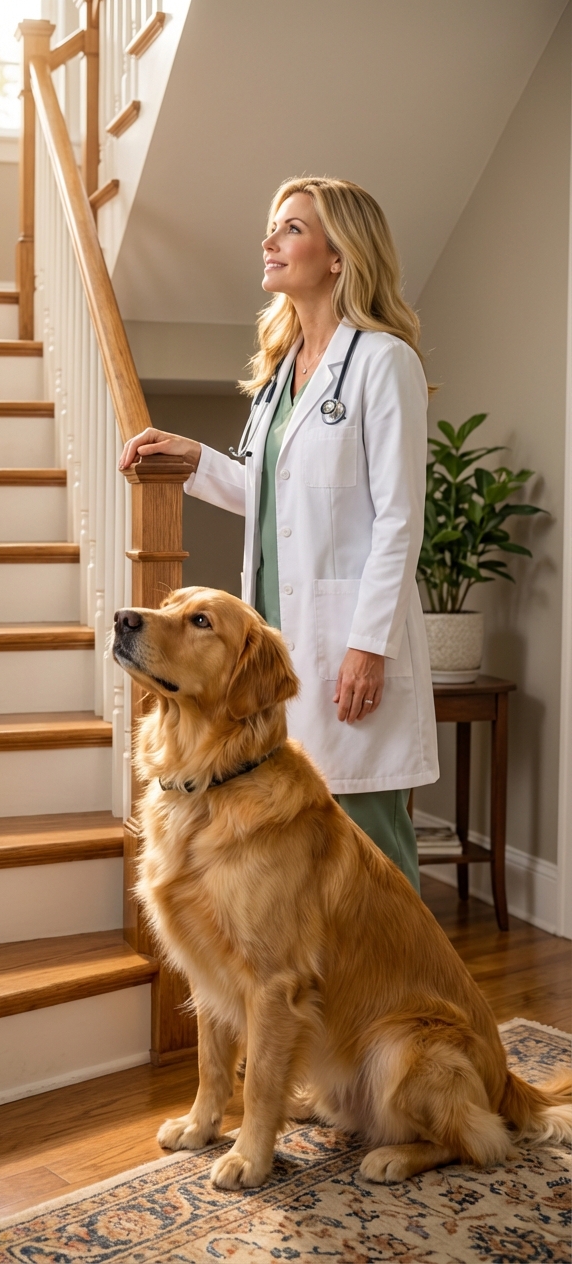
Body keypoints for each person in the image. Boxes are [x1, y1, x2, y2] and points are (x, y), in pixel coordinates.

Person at [118, 176, 439, 891]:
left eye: (291, 228)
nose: (270, 240)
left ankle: (418, 996)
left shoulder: (384, 362)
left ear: (338, 255)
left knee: (368, 849)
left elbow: (399, 519)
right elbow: (271, 498)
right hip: (275, 658)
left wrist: (368, 644)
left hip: (348, 645)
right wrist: (195, 458)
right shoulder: (279, 376)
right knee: (300, 859)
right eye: (274, 226)